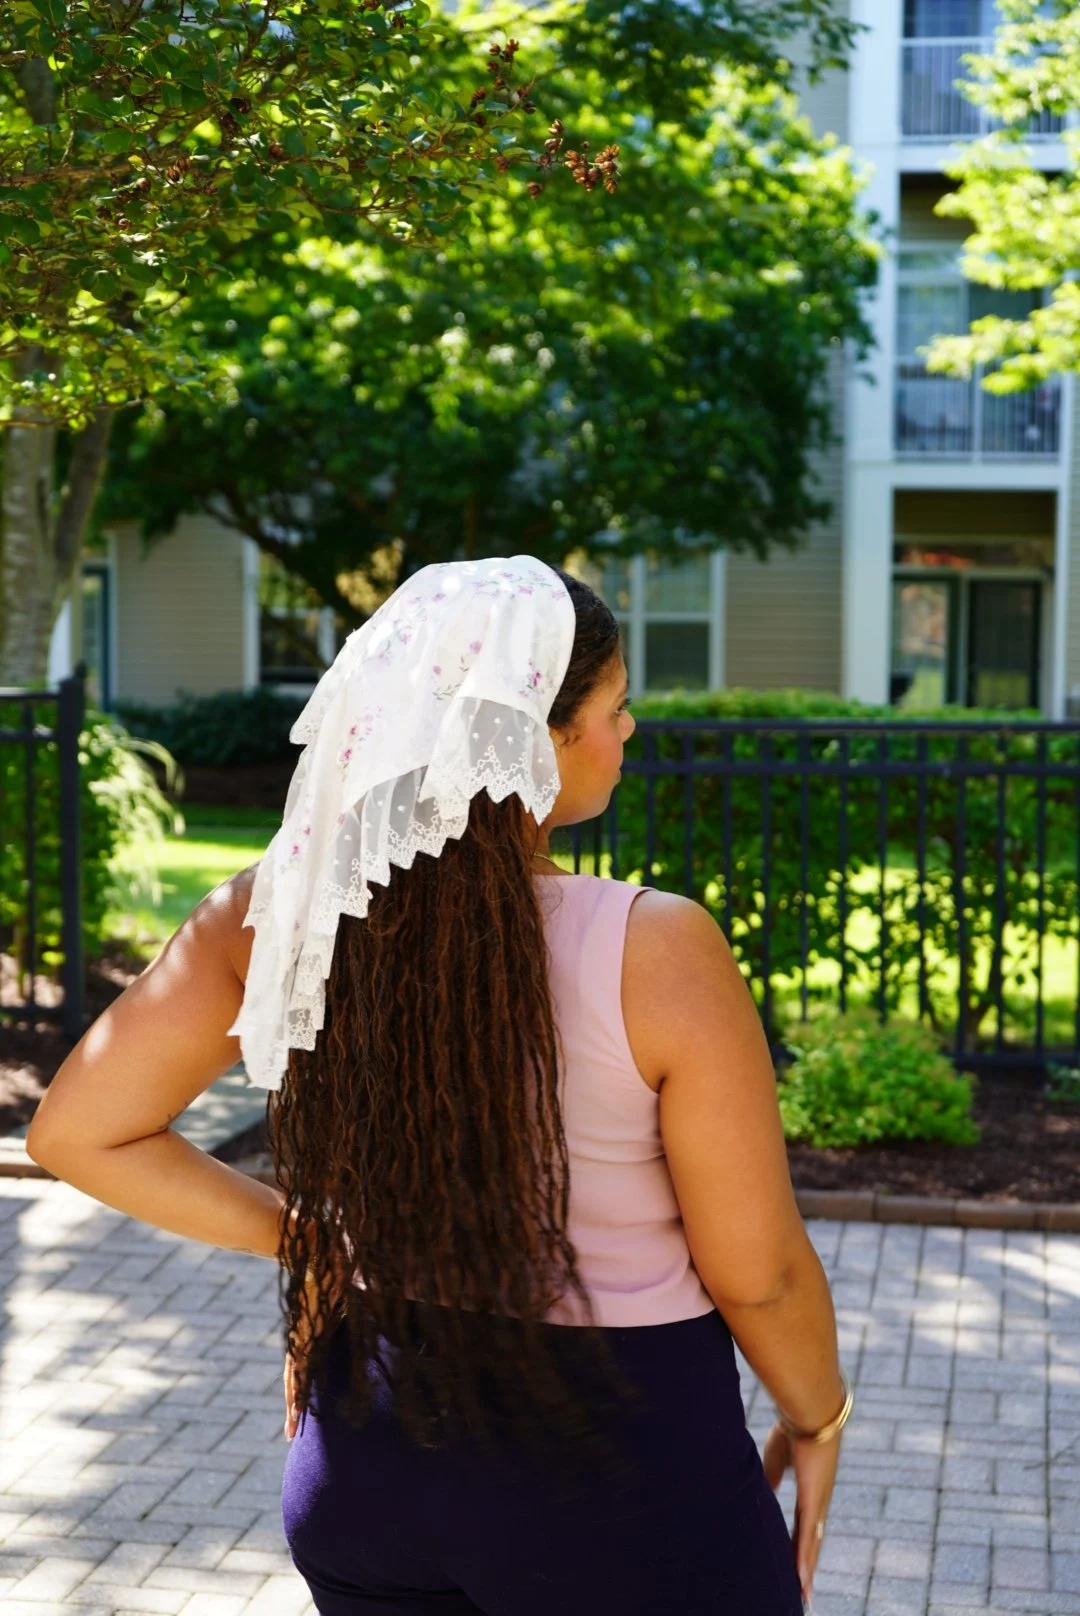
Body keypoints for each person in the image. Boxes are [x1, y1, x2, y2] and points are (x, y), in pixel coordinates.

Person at [27, 554, 850, 1615]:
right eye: (617, 705)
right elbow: (759, 1273)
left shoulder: (271, 913)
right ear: (536, 735)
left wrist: (307, 1235)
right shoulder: (658, 948)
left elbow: (78, 1130)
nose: (630, 729)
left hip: (368, 1461)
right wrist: (817, 1414)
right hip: (622, 1482)